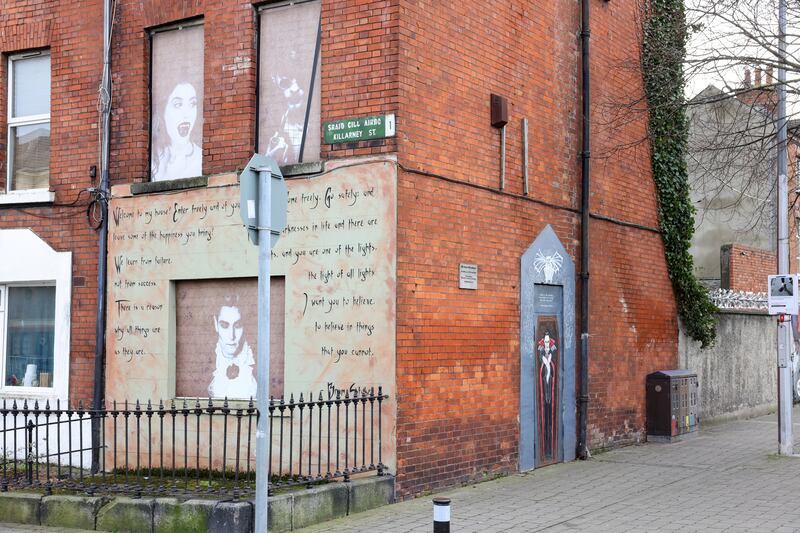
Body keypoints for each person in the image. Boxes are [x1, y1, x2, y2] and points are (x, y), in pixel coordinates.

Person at [151, 81, 202, 181]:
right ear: (163, 111)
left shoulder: (200, 158)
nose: (186, 114)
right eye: (178, 105)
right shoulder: (152, 157)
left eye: (192, 104)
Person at [208, 300, 257, 399]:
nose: (231, 335)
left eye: (237, 326)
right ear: (215, 324)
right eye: (224, 326)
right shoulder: (204, 363)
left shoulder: (255, 360)